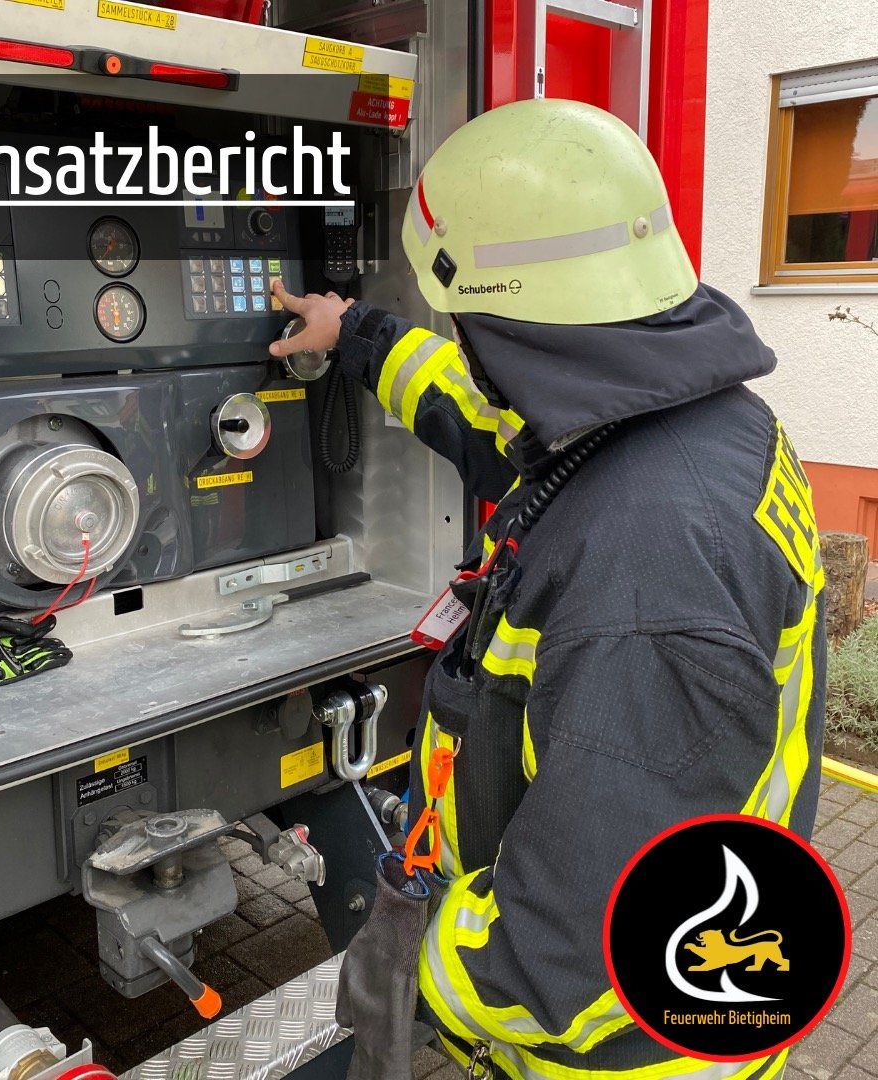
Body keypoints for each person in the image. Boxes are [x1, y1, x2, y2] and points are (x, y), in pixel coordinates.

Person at [269, 99, 825, 1080]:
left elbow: (570, 957)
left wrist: (411, 963)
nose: (460, 341)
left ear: (508, 325)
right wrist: (357, 333)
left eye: (465, 322)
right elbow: (487, 418)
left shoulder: (649, 586)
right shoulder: (691, 421)